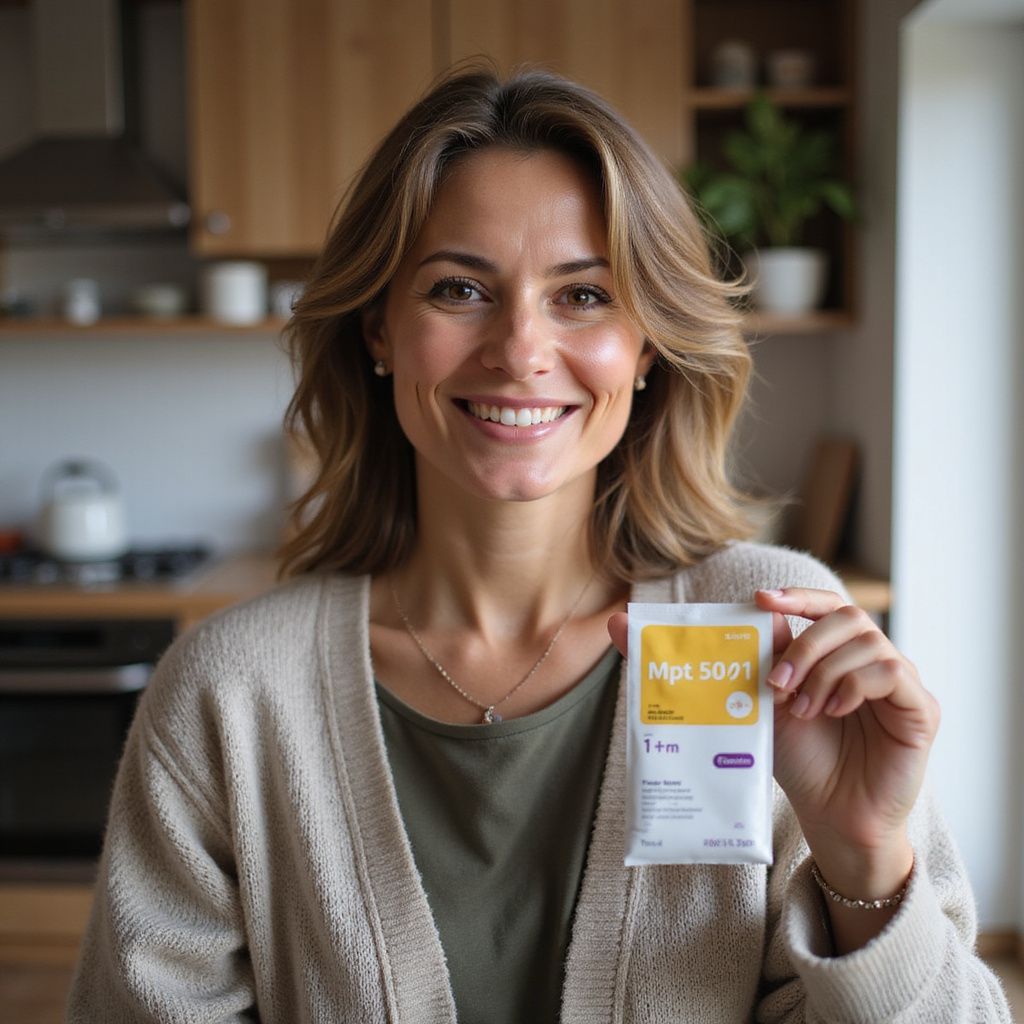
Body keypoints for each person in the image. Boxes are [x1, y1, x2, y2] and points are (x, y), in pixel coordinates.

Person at [67, 66, 1011, 1023]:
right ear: (380, 328)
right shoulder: (230, 694)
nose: (520, 349)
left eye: (585, 296)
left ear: (647, 347)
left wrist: (864, 862)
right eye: (459, 288)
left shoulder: (769, 636)